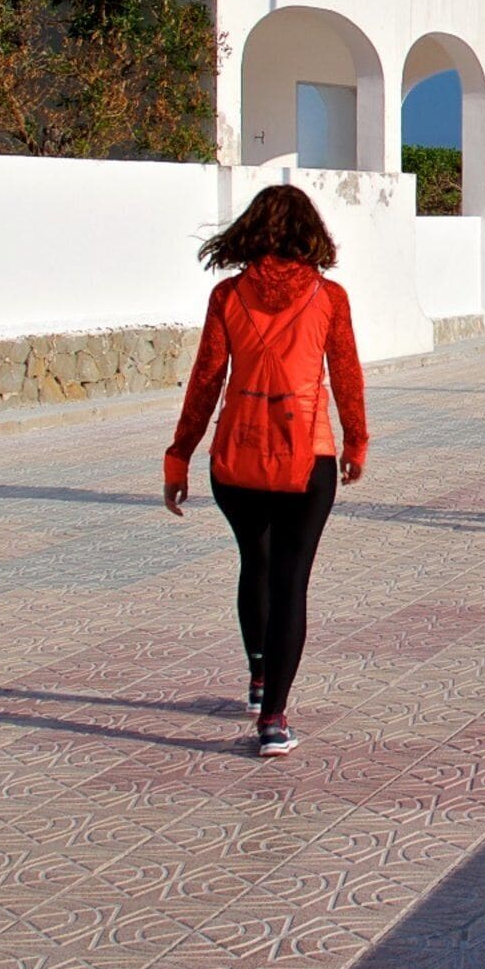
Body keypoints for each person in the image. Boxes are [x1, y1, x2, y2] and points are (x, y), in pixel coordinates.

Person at [164, 184, 368, 758]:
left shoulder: (228, 296)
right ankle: (274, 718)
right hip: (309, 456)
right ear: (311, 234)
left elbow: (206, 380)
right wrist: (356, 441)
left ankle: (257, 676)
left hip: (237, 454)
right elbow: (346, 375)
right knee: (290, 581)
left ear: (251, 232)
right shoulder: (330, 298)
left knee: (254, 562)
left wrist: (178, 455)